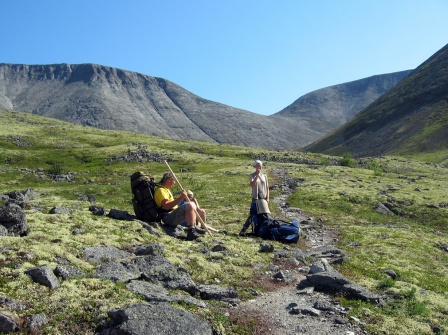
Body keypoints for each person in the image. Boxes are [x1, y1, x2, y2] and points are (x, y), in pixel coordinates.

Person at [153, 172, 202, 240]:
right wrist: (181, 198)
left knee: (192, 204)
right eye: (174, 180)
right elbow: (166, 206)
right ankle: (191, 232)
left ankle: (194, 228)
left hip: (171, 215)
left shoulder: (166, 190)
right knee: (190, 205)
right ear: (169, 179)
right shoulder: (161, 190)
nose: (174, 183)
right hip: (167, 217)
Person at [240, 159, 270, 236]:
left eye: (260, 166)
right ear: (255, 167)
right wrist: (257, 175)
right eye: (257, 166)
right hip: (256, 198)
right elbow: (252, 184)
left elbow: (267, 187)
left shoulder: (265, 176)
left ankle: (263, 229)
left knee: (265, 213)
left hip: (263, 197)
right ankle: (244, 229)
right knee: (253, 214)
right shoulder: (252, 175)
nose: (259, 167)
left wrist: (268, 197)